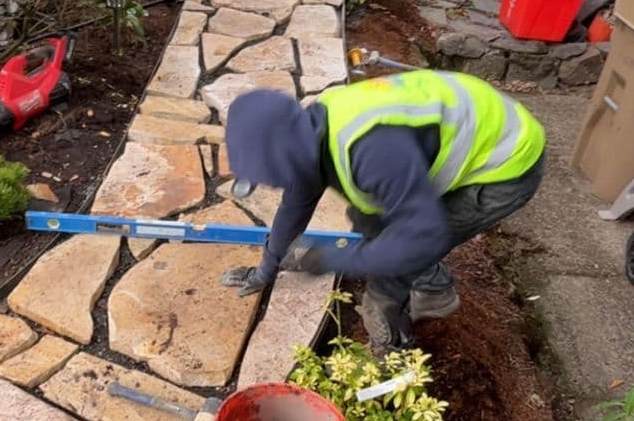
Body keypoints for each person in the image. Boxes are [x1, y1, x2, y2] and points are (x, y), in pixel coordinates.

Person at [222, 71, 546, 348]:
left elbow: (422, 237)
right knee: (368, 222)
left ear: (289, 159)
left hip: (505, 161)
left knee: (392, 267)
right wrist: (267, 266)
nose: (275, 186)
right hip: (454, 129)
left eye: (272, 177)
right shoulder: (308, 134)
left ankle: (392, 347)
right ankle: (434, 288)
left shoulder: (372, 152)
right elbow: (294, 207)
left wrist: (336, 260)